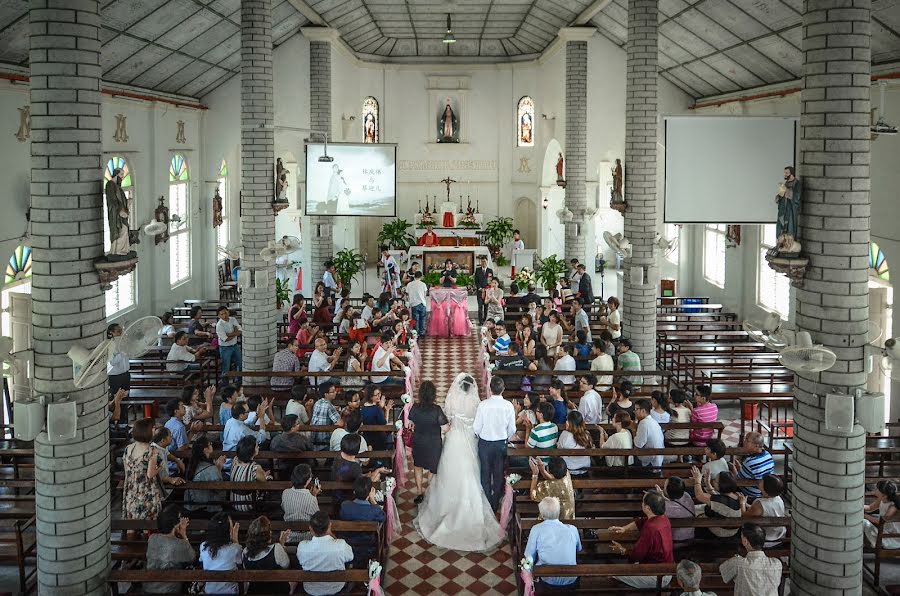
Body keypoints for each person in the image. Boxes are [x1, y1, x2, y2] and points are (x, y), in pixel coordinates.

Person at [416, 373, 505, 550]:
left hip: (454, 438)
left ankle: (446, 508)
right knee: (470, 473)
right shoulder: (477, 403)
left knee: (450, 472)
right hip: (469, 440)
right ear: (472, 388)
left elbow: (447, 418)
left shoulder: (452, 400)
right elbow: (477, 425)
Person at [610, 491, 674, 589]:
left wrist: (622, 550)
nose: (642, 504)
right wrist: (625, 528)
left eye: (643, 502)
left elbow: (636, 555)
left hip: (657, 575)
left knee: (613, 573)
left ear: (647, 508)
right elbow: (641, 522)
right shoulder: (663, 518)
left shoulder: (651, 528)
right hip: (667, 567)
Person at [523, 497, 582, 592]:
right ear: (559, 512)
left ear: (542, 514)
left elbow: (529, 556)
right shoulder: (572, 529)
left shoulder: (536, 529)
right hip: (571, 580)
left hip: (548, 582)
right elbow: (578, 549)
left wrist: (527, 571)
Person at [408, 381, 449, 503]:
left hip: (418, 442)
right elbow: (446, 428)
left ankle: (419, 491)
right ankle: (428, 490)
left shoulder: (415, 407)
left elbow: (410, 423)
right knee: (433, 468)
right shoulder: (436, 410)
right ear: (433, 395)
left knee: (418, 466)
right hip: (433, 444)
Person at [296, 511, 355, 596]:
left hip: (311, 590)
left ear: (310, 529)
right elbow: (350, 556)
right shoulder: (341, 545)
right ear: (329, 526)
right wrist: (330, 534)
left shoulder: (302, 547)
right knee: (351, 565)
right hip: (336, 587)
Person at [719, 523, 783, 596]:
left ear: (745, 541)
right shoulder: (777, 564)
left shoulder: (737, 563)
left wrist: (736, 558)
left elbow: (723, 571)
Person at [145, 505, 195, 593]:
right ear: (175, 525)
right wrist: (184, 535)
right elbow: (192, 557)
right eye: (179, 518)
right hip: (171, 589)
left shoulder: (152, 539)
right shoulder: (180, 544)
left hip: (149, 588)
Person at [123, 418, 165, 520]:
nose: (154, 430)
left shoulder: (128, 448)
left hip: (131, 489)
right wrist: (160, 467)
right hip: (146, 490)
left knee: (131, 523)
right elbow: (150, 474)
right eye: (153, 428)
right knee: (148, 522)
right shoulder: (151, 450)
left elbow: (126, 470)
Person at [340, 476, 387, 567]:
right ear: (370, 493)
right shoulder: (374, 510)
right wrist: (373, 500)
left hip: (348, 542)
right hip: (368, 545)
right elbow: (383, 517)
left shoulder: (345, 506)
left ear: (354, 491)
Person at [331, 433, 389, 504]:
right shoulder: (355, 467)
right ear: (357, 450)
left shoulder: (338, 456)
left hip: (336, 492)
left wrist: (364, 475)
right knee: (377, 478)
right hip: (347, 498)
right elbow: (362, 487)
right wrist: (377, 471)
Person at [243, 516, 291, 593]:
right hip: (277, 591)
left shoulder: (245, 552)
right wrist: (281, 545)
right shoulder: (276, 548)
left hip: (255, 591)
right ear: (268, 534)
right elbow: (286, 565)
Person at [691, 467, 742, 538]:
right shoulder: (734, 496)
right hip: (730, 528)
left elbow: (699, 496)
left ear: (722, 485)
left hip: (722, 531)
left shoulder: (722, 501)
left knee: (691, 513)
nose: (714, 481)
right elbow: (717, 498)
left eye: (715, 480)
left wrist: (697, 481)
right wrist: (707, 483)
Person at [199, 513, 243, 594]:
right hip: (230, 592)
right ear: (229, 531)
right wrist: (235, 540)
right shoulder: (235, 548)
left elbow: (202, 563)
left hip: (209, 591)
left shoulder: (203, 546)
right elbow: (241, 564)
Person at [740, 474, 787, 547]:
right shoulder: (778, 498)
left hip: (766, 539)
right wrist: (748, 506)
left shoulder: (759, 504)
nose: (760, 481)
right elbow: (760, 511)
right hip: (780, 535)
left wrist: (742, 503)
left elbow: (744, 516)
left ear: (766, 490)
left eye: (763, 482)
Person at [184, 435, 226, 513]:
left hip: (191, 506)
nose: (212, 445)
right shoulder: (211, 468)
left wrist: (217, 468)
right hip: (208, 508)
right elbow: (220, 490)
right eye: (210, 444)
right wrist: (218, 469)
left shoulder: (193, 464)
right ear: (205, 449)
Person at [230, 435, 270, 513]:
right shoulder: (255, 467)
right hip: (247, 504)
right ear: (251, 451)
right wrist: (266, 475)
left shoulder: (235, 460)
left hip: (234, 502)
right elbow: (264, 481)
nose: (258, 448)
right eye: (256, 446)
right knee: (269, 479)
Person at [529, 455, 576, 520]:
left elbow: (533, 495)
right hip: (569, 518)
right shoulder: (566, 473)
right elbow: (552, 477)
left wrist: (535, 474)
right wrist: (542, 470)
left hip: (555, 521)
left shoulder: (549, 486)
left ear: (548, 470)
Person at [734, 432, 774, 498]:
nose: (744, 442)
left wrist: (734, 469)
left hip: (750, 494)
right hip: (764, 491)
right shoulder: (768, 454)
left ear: (756, 445)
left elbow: (738, 479)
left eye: (747, 440)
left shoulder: (750, 462)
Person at [283, 463, 321, 534]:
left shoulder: (285, 493)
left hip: (289, 534)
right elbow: (317, 516)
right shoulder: (311, 498)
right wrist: (314, 496)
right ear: (308, 480)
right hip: (307, 534)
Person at [864, 480, 900, 549]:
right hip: (883, 528)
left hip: (890, 535)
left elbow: (881, 521)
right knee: (868, 519)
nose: (875, 490)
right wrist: (856, 507)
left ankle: (876, 544)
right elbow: (870, 507)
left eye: (877, 489)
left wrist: (865, 516)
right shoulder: (882, 499)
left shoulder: (892, 506)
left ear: (884, 495)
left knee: (864, 523)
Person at [662, 476, 695, 543]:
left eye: (664, 487)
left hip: (675, 541)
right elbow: (674, 502)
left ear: (667, 492)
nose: (663, 488)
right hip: (690, 536)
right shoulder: (686, 495)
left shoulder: (665, 507)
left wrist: (660, 496)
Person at [634, 399, 665, 469]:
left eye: (636, 409)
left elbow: (638, 444)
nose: (634, 412)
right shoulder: (653, 421)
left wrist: (633, 430)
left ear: (643, 411)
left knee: (630, 459)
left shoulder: (644, 423)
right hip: (658, 458)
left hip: (650, 461)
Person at [359, 385, 391, 451]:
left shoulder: (363, 406)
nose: (379, 396)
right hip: (378, 438)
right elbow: (384, 424)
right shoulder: (377, 409)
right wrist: (387, 410)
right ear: (371, 397)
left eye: (379, 393)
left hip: (367, 437)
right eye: (377, 395)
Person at [215, 306, 242, 385]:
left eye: (226, 313)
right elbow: (225, 339)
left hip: (235, 345)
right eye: (222, 314)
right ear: (219, 316)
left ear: (228, 312)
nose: (224, 315)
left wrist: (229, 334)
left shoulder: (233, 319)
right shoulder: (219, 325)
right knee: (226, 366)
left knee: (240, 363)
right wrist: (235, 333)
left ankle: (239, 382)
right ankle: (225, 384)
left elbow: (240, 331)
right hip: (225, 348)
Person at [311, 382, 341, 450]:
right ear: (326, 394)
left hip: (314, 440)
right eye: (332, 392)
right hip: (324, 441)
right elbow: (340, 424)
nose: (335, 392)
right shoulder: (329, 406)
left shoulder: (317, 402)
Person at [106, 323, 130, 396]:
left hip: (125, 374)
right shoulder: (109, 345)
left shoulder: (123, 342)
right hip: (115, 376)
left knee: (126, 396)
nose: (121, 333)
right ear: (111, 333)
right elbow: (112, 362)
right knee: (116, 399)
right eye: (118, 331)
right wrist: (122, 353)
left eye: (121, 331)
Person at [407, 271, 428, 337]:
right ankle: (422, 332)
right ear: (421, 277)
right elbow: (425, 294)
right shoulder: (423, 284)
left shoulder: (409, 284)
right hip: (422, 303)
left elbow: (407, 294)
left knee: (414, 319)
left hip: (413, 303)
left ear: (414, 276)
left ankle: (415, 332)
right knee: (422, 318)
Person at [474, 256, 494, 324]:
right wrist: (480, 288)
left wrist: (487, 289)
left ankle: (485, 319)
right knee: (480, 307)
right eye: (482, 262)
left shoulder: (490, 271)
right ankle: (480, 321)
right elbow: (476, 281)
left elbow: (491, 281)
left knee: (486, 307)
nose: (483, 263)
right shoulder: (478, 270)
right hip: (480, 291)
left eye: (485, 261)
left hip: (487, 292)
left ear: (487, 262)